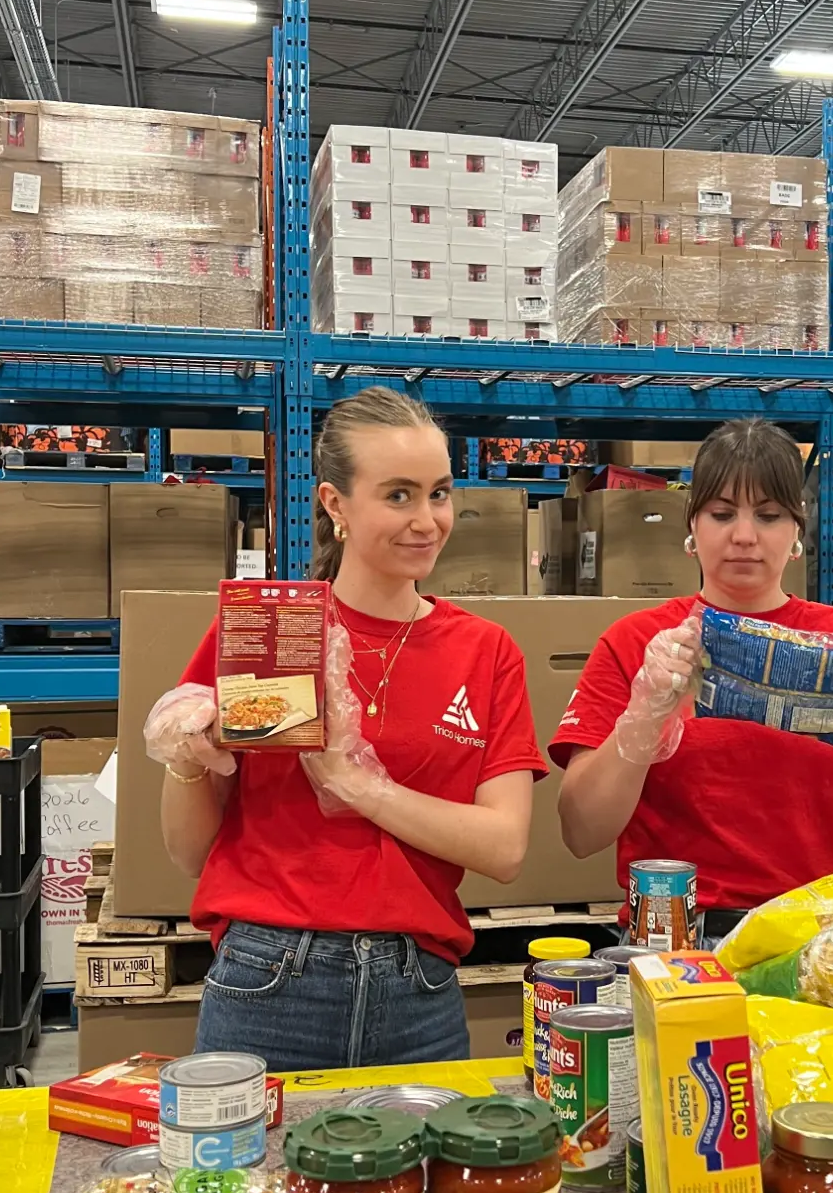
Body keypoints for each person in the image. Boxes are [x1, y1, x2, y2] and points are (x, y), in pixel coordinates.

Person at [145, 386, 545, 1069]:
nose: (427, 520)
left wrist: (358, 786)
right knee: (251, 1179)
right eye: (398, 495)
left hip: (419, 989)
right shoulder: (268, 635)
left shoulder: (485, 651)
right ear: (336, 505)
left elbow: (504, 848)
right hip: (267, 982)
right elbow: (188, 854)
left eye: (439, 494)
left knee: (425, 1177)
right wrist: (187, 759)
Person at [552, 419, 833, 938]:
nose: (743, 537)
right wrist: (639, 726)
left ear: (797, 531)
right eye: (722, 514)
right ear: (692, 527)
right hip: (683, 944)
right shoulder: (638, 646)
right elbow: (581, 832)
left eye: (768, 516)